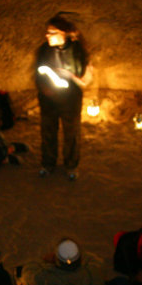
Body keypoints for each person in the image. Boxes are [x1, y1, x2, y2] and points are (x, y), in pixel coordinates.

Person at [34, 14, 93, 181]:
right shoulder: (43, 50)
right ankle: (48, 164)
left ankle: (71, 165)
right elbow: (38, 74)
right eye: (47, 32)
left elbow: (83, 76)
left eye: (51, 32)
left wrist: (69, 77)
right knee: (48, 133)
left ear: (63, 33)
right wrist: (46, 89)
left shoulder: (77, 51)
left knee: (71, 134)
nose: (47, 35)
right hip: (48, 100)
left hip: (70, 101)